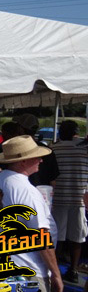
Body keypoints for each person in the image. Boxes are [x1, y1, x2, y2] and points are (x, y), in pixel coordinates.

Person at [0, 135, 63, 292]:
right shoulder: (26, 190)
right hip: (25, 265)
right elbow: (41, 237)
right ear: (23, 161)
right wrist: (55, 273)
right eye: (36, 156)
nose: (41, 160)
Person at [51, 120, 88, 283]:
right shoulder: (85, 149)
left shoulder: (53, 149)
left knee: (57, 236)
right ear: (75, 133)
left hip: (58, 197)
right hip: (79, 198)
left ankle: (54, 270)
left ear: (60, 133)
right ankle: (73, 270)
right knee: (76, 237)